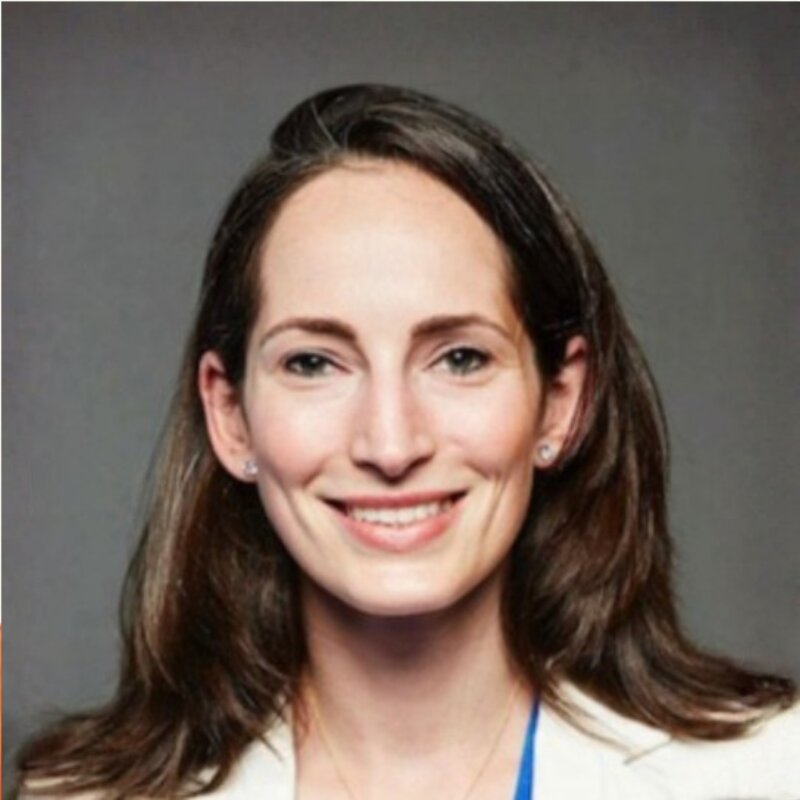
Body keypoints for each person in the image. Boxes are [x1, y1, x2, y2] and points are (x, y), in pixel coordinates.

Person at [18, 84, 799, 800]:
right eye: (315, 362)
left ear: (561, 403)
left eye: (459, 357)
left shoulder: (767, 773)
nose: (390, 445)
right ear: (230, 416)